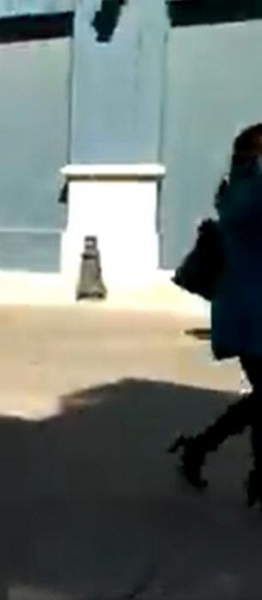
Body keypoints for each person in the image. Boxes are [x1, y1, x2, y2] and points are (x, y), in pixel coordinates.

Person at [170, 123, 262, 507]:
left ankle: (231, 463)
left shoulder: (234, 190)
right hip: (252, 307)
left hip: (241, 305)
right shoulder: (253, 193)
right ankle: (203, 449)